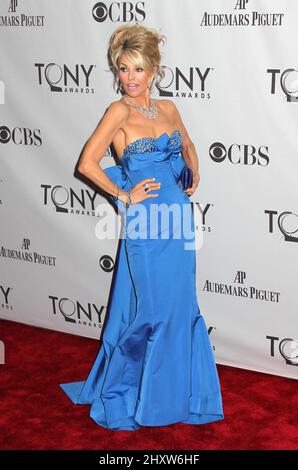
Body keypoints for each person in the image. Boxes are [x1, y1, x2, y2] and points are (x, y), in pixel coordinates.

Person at [60, 23, 224, 431]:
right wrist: (125, 194)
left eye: (137, 70)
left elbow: (187, 145)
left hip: (178, 220)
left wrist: (193, 175)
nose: (129, 79)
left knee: (179, 305)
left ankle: (178, 395)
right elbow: (86, 164)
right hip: (146, 222)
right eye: (122, 69)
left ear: (154, 71)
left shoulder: (168, 108)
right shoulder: (118, 112)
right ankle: (139, 396)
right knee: (151, 309)